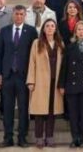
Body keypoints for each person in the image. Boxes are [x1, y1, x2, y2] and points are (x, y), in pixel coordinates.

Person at [0, 6, 38, 149]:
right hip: (7, 76)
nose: (19, 16)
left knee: (23, 108)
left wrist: (33, 77)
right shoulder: (4, 31)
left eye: (21, 14)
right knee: (7, 108)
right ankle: (7, 137)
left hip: (23, 76)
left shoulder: (31, 31)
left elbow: (35, 55)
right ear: (12, 15)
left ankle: (22, 137)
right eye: (16, 14)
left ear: (25, 15)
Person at [59, 21, 83, 149]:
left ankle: (82, 138)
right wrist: (62, 85)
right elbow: (64, 67)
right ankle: (74, 137)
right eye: (78, 29)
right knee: (73, 114)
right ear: (75, 32)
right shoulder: (69, 47)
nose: (81, 32)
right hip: (71, 84)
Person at [27, 19, 64, 148]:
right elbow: (32, 62)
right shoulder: (37, 43)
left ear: (55, 29)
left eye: (52, 26)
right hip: (40, 82)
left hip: (55, 82)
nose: (49, 28)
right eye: (47, 26)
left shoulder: (60, 44)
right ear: (43, 29)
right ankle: (39, 138)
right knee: (39, 112)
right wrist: (31, 81)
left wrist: (62, 83)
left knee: (51, 111)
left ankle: (49, 137)